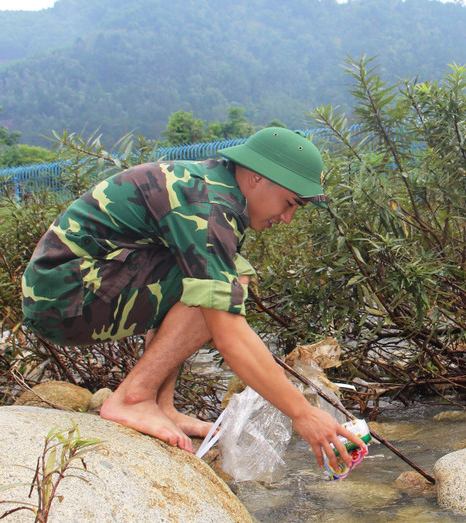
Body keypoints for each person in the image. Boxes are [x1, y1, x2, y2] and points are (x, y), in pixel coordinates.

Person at [21, 127, 365, 469]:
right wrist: (302, 413)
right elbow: (227, 332)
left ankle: (160, 403)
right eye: (290, 203)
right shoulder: (210, 205)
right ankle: (133, 398)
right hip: (64, 298)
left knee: (216, 277)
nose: (288, 218)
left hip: (75, 290)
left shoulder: (216, 188)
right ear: (258, 178)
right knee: (224, 284)